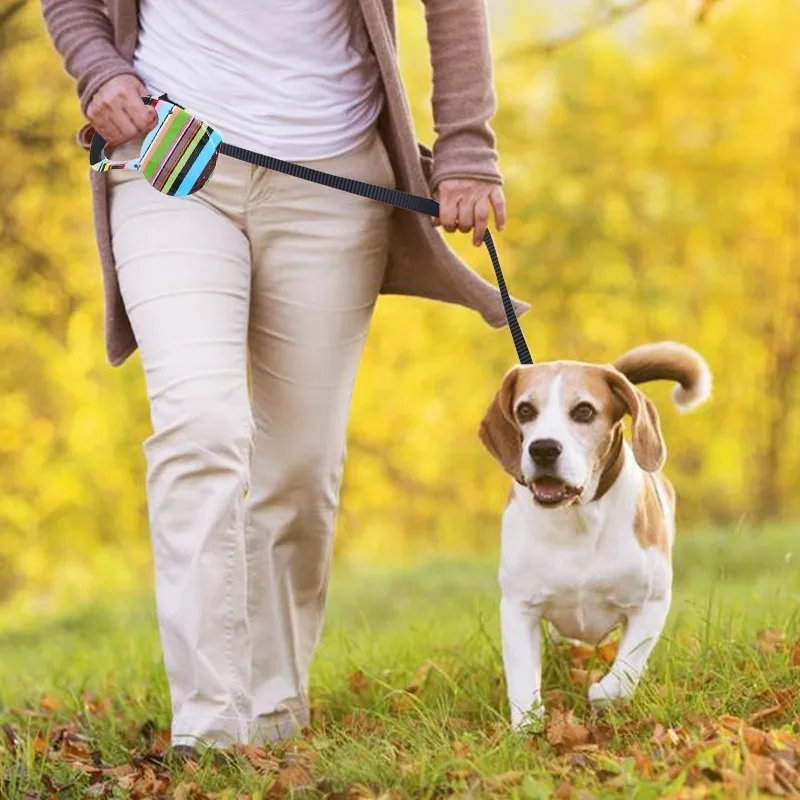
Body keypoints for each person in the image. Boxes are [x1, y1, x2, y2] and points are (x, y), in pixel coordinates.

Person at [41, 0, 527, 752]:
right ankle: (209, 727)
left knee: (299, 469)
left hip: (330, 181)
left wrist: (466, 149)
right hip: (168, 159)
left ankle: (271, 715)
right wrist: (98, 68)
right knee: (200, 425)